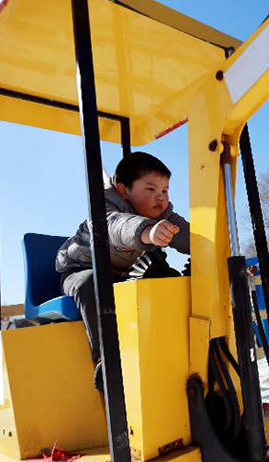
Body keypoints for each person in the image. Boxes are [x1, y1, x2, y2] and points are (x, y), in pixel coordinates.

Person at [56, 152, 190, 390]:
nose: (160, 198)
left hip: (122, 274)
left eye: (165, 191)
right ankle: (107, 362)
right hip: (81, 269)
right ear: (123, 190)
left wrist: (211, 249)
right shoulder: (104, 209)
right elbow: (117, 226)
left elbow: (188, 236)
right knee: (92, 283)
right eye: (151, 189)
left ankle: (173, 353)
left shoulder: (164, 214)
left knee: (165, 276)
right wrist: (147, 231)